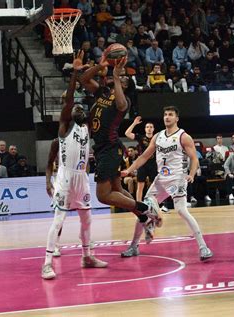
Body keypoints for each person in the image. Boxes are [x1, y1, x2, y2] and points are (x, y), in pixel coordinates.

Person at [79, 50, 161, 244]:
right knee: (117, 190)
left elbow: (122, 104)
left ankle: (145, 207)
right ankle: (144, 217)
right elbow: (83, 78)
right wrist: (101, 65)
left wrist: (116, 76)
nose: (122, 79)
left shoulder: (123, 102)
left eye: (124, 80)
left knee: (103, 195)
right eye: (120, 78)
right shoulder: (102, 93)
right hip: (102, 149)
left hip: (111, 149)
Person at [42, 51, 108, 280]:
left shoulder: (86, 126)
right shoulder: (64, 127)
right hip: (66, 178)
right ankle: (47, 263)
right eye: (74, 107)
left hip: (82, 177)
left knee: (87, 219)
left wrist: (100, 73)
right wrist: (74, 74)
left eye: (81, 107)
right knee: (58, 220)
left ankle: (87, 256)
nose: (78, 107)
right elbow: (70, 99)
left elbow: (97, 97)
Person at [120, 106, 213, 261]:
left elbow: (194, 158)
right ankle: (134, 245)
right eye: (165, 115)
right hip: (161, 180)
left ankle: (203, 247)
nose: (167, 117)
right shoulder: (158, 136)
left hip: (177, 179)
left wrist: (191, 174)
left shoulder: (184, 136)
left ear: (177, 118)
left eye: (170, 115)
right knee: (142, 210)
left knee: (182, 211)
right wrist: (128, 170)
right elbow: (143, 156)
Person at [125, 116, 157, 202]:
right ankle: (139, 204)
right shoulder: (141, 137)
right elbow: (127, 133)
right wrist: (134, 123)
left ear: (153, 129)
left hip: (154, 164)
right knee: (140, 186)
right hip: (142, 164)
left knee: (154, 186)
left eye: (151, 127)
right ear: (145, 129)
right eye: (147, 127)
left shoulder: (157, 138)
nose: (149, 129)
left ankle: (154, 204)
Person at [45, 138, 63, 257]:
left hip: (77, 180)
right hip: (60, 181)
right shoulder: (57, 143)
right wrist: (48, 182)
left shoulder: (80, 141)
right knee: (59, 215)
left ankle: (86, 240)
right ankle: (56, 245)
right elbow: (49, 164)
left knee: (84, 212)